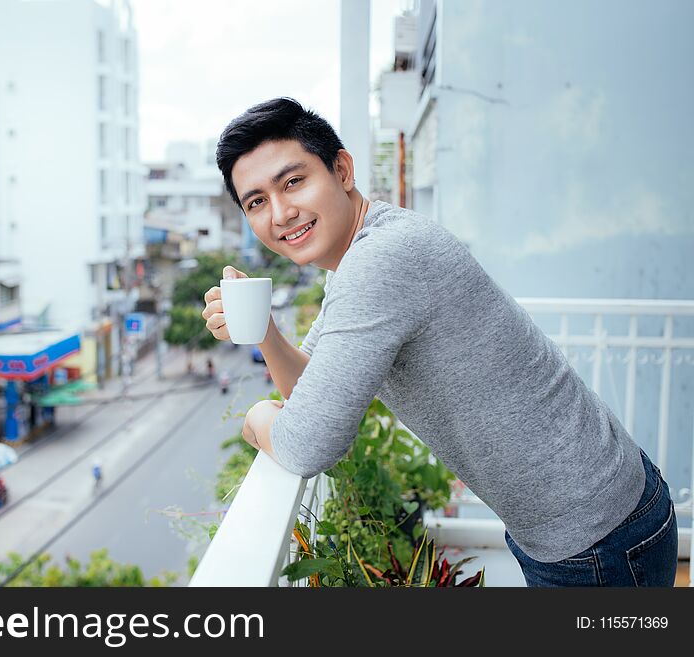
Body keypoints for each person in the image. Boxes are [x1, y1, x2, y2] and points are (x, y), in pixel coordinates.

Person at [200, 97, 677, 587]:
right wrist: (264, 331)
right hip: (591, 517)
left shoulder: (381, 261)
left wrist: (256, 419)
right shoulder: (360, 259)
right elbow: (308, 392)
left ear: (342, 169)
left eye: (293, 181)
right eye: (257, 201)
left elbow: (307, 446)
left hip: (596, 536)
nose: (280, 213)